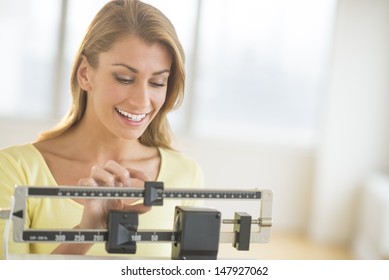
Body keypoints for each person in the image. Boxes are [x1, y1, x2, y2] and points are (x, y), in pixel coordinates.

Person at [0, 0, 203, 259]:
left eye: (157, 82)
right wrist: (86, 232)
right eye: (124, 78)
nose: (142, 101)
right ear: (85, 73)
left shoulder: (187, 174)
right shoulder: (13, 170)